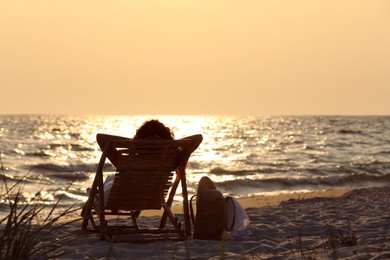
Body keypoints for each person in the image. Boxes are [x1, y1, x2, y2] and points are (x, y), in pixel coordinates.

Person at [96, 119, 202, 204]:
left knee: (107, 183)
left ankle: (89, 205)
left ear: (139, 138)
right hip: (153, 198)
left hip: (119, 197)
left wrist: (134, 142)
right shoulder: (172, 162)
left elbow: (100, 138)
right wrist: (168, 143)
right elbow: (197, 138)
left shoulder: (127, 164)